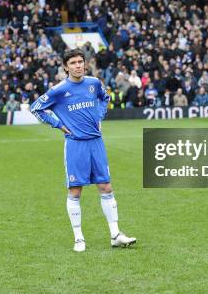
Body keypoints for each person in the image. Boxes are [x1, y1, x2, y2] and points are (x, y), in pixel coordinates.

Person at [30, 48, 136, 252]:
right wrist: (58, 125)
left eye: (80, 62)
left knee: (106, 187)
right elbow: (36, 108)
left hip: (96, 142)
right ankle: (79, 238)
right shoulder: (59, 90)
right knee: (75, 191)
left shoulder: (93, 83)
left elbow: (105, 98)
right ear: (65, 67)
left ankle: (115, 235)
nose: (78, 66)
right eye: (73, 63)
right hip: (75, 144)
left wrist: (99, 116)